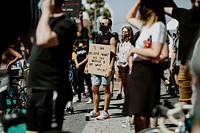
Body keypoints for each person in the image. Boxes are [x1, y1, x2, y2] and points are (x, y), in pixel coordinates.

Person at [26, 0, 77, 132]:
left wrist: (46, 12)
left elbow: (44, 40)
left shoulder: (66, 24)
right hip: (37, 88)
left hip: (51, 88)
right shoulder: (45, 22)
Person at [125, 0, 167, 132]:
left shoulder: (158, 26)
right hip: (138, 71)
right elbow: (128, 17)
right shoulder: (144, 26)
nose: (140, 10)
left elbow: (155, 52)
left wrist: (134, 50)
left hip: (147, 70)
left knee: (142, 112)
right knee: (136, 113)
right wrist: (139, 1)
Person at [164, 0, 200, 103]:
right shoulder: (182, 14)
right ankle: (187, 119)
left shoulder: (181, 14)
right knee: (185, 103)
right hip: (185, 66)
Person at [84, 17, 117, 120]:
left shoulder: (112, 38)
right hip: (96, 67)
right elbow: (93, 53)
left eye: (103, 24)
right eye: (101, 23)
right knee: (94, 88)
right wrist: (87, 65)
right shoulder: (97, 37)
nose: (101, 25)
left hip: (106, 67)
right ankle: (96, 110)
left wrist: (110, 68)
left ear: (109, 26)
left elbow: (113, 55)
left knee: (106, 88)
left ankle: (105, 112)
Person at [0, 43, 22, 115]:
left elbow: (19, 56)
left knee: (1, 96)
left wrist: (10, 63)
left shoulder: (7, 49)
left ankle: (2, 116)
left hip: (5, 75)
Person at [116, 26, 134, 100]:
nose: (124, 33)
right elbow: (118, 54)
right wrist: (118, 64)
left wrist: (127, 64)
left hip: (128, 65)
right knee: (124, 84)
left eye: (126, 31)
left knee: (129, 84)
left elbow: (131, 54)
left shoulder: (132, 43)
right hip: (120, 64)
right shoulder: (121, 43)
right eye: (123, 31)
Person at [74, 35, 92, 104]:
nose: (81, 41)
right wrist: (76, 64)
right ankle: (79, 97)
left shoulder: (87, 48)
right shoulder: (78, 49)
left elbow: (87, 58)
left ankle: (91, 97)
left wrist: (80, 64)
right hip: (78, 68)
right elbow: (75, 57)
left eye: (83, 40)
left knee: (88, 83)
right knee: (79, 83)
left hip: (85, 68)